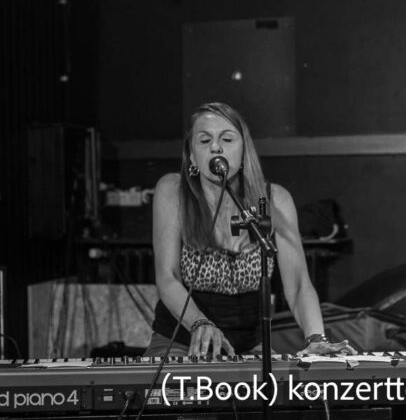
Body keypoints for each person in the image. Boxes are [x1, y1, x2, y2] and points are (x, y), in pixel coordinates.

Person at [145, 102, 355, 358]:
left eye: (227, 139)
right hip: (182, 342)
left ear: (244, 149)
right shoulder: (173, 191)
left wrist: (316, 338)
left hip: (247, 348)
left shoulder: (275, 199)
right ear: (191, 155)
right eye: (204, 140)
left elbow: (299, 284)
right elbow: (167, 278)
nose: (215, 147)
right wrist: (200, 324)